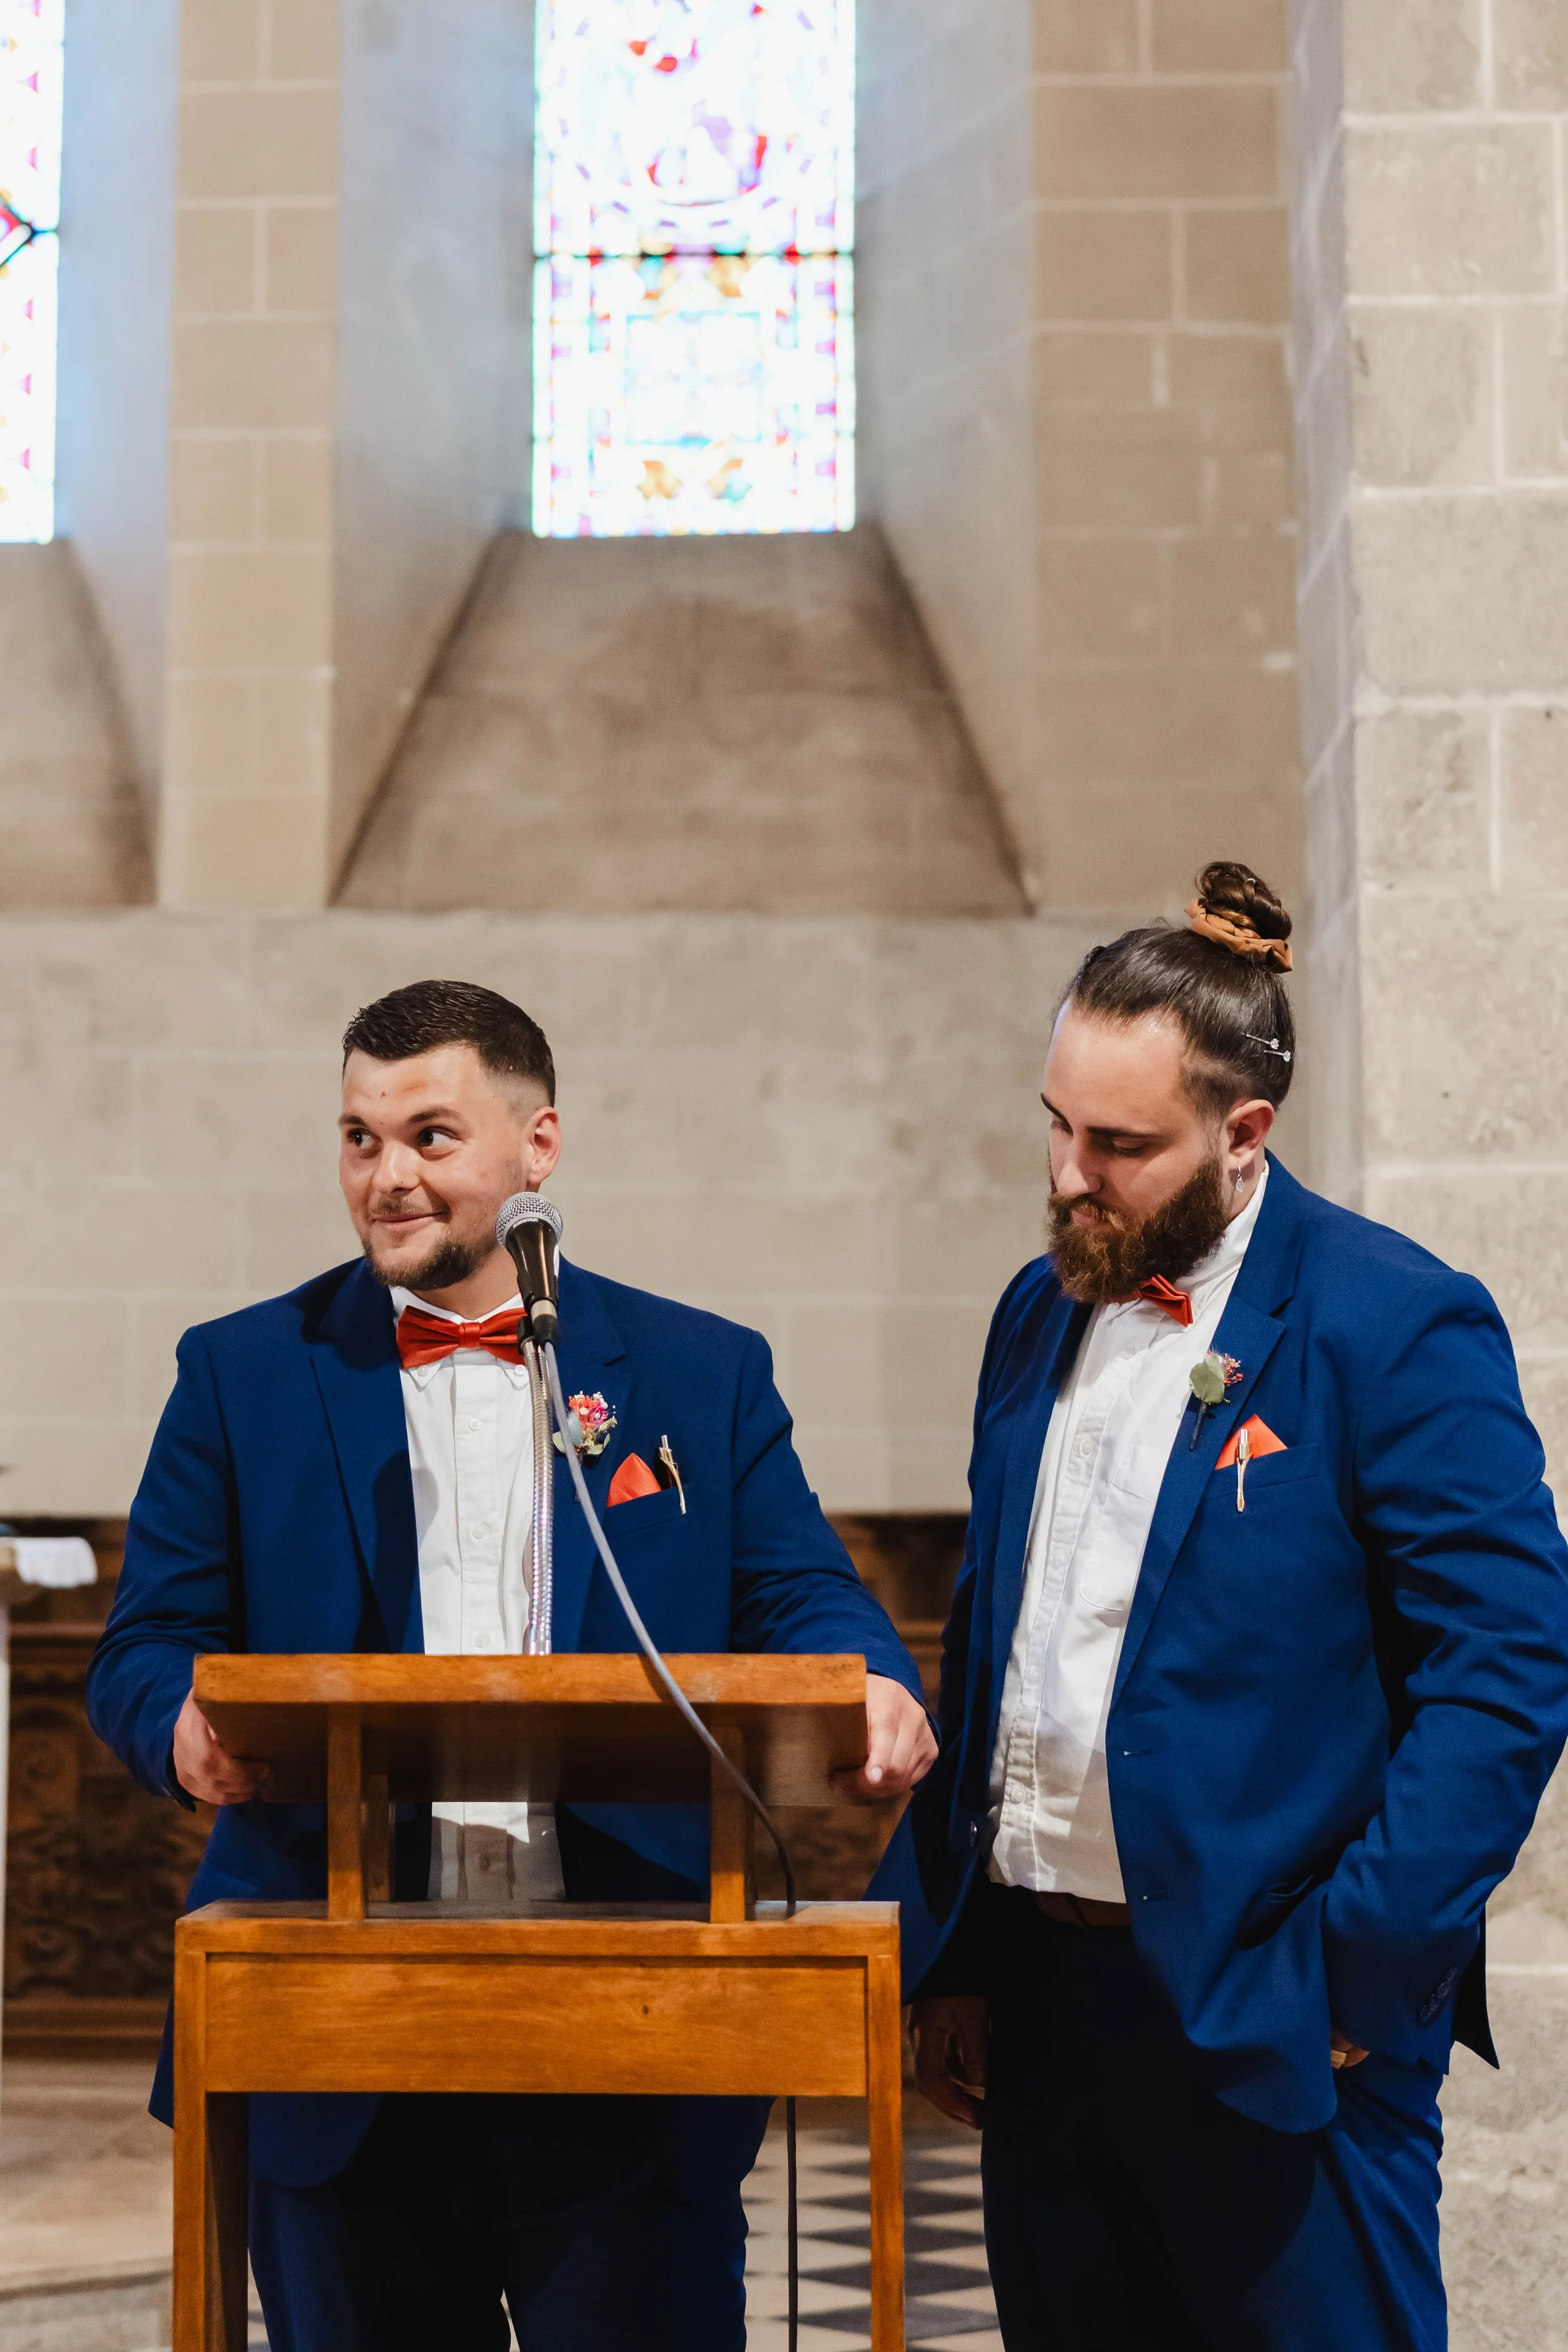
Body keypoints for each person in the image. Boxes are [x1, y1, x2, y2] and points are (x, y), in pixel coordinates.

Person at [88, 978, 936, 2352]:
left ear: (538, 1144)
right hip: (334, 2024)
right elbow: (144, 1645)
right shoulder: (243, 1372)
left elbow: (798, 1590)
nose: (387, 1177)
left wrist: (871, 1678)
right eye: (359, 1138)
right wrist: (178, 1725)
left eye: (430, 1135)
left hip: (630, 2014)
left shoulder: (696, 1371)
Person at [873, 862, 1568, 2351]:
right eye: (1055, 1125)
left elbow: (1505, 1667)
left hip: (1279, 2005)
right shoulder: (1035, 1309)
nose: (1069, 1175)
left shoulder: (1386, 1318)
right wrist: (961, 1957)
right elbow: (996, 1640)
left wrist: (1357, 1970)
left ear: (1242, 1135)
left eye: (1118, 1145)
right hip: (1045, 2009)